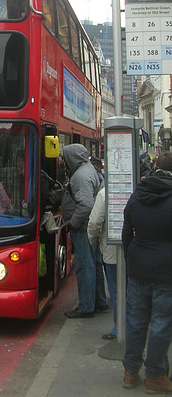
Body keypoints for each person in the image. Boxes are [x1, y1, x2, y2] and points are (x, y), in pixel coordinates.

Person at [121, 151, 172, 393]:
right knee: (161, 324)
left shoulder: (138, 194)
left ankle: (130, 372)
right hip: (166, 272)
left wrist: (131, 260)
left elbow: (126, 232)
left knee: (135, 322)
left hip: (138, 266)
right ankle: (155, 375)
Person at [61, 143, 107, 318]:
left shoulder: (80, 176)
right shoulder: (88, 169)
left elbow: (86, 205)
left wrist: (72, 222)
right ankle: (100, 301)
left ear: (72, 157)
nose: (63, 161)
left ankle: (86, 306)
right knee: (95, 264)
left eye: (65, 157)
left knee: (84, 266)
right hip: (89, 226)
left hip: (83, 228)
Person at [88, 186, 117, 340]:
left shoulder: (105, 193)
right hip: (135, 251)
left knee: (116, 290)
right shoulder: (138, 188)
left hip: (113, 251)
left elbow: (94, 222)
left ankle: (119, 328)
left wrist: (92, 240)